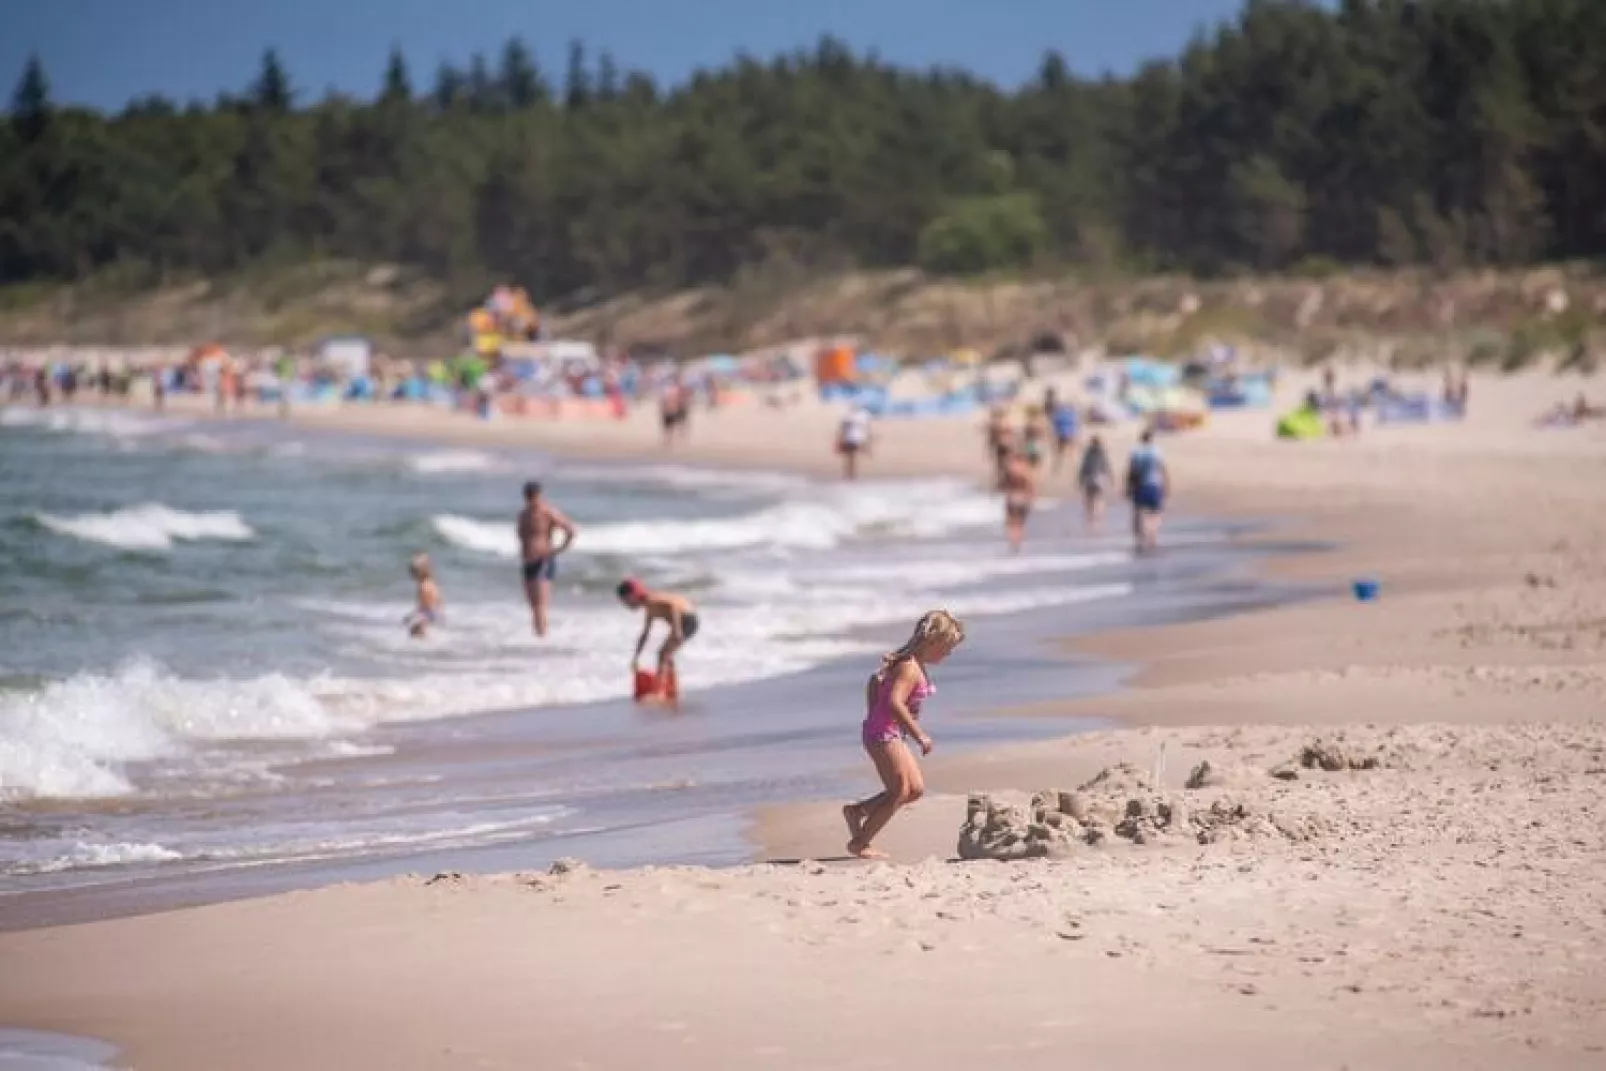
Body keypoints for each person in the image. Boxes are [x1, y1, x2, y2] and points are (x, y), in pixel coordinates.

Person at [842, 610, 966, 859]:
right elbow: (894, 703)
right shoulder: (909, 668)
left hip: (890, 733)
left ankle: (858, 811)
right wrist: (920, 735)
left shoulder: (914, 664)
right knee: (900, 790)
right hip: (882, 734)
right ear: (932, 642)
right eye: (946, 648)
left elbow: (876, 682)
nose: (948, 654)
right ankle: (860, 842)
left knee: (915, 789)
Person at [617, 578, 699, 696]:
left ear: (634, 595)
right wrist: (636, 657)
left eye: (626, 601)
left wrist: (676, 630)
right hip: (686, 620)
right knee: (666, 655)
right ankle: (671, 688)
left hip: (687, 619)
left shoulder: (651, 601)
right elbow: (645, 634)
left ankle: (659, 692)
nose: (626, 605)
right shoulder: (649, 607)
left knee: (662, 654)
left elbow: (672, 606)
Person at [517, 481, 577, 637]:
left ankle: (542, 638)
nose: (531, 500)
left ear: (539, 495)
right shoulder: (523, 514)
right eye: (528, 497)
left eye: (533, 496)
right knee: (532, 606)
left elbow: (570, 530)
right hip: (527, 562)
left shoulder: (547, 512)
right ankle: (538, 636)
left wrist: (559, 549)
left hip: (542, 560)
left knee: (540, 606)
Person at [1125, 429, 1170, 554]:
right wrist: (1166, 484)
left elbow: (1131, 470)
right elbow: (1162, 468)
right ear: (1152, 438)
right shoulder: (1156, 451)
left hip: (1139, 485)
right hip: (1154, 484)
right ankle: (1152, 536)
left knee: (1138, 512)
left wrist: (1127, 486)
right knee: (1155, 512)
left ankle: (1140, 539)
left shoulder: (1135, 451)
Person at [998, 448, 1037, 553]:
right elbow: (1031, 485)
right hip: (1023, 498)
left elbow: (1003, 484)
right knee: (1020, 522)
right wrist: (1031, 498)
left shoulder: (1010, 469)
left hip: (1012, 498)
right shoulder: (1025, 469)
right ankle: (1018, 542)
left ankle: (1014, 542)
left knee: (1012, 522)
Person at [403, 553, 444, 638]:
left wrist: (411, 615)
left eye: (413, 573)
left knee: (415, 631)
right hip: (436, 611)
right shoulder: (431, 582)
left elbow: (423, 605)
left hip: (428, 613)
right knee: (418, 631)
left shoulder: (423, 586)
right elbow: (439, 599)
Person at [1078, 434, 1114, 529]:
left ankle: (1090, 522)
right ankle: (1098, 522)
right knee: (1099, 500)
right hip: (1100, 478)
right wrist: (1111, 479)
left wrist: (1080, 480)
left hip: (1089, 478)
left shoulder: (1088, 453)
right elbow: (1107, 467)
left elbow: (1084, 468)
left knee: (1089, 501)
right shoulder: (1102, 453)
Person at [836, 404, 873, 480]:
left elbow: (867, 427)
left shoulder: (862, 415)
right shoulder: (847, 415)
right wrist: (841, 437)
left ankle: (852, 474)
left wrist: (868, 437)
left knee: (853, 456)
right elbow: (843, 427)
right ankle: (849, 474)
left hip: (858, 438)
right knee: (850, 457)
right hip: (849, 437)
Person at [1047, 389, 1080, 472]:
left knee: (1060, 452)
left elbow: (1054, 425)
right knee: (1071, 452)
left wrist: (1053, 434)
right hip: (1069, 433)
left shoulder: (1059, 414)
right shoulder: (1071, 414)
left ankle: (1057, 467)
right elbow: (1075, 424)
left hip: (1061, 434)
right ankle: (1074, 467)